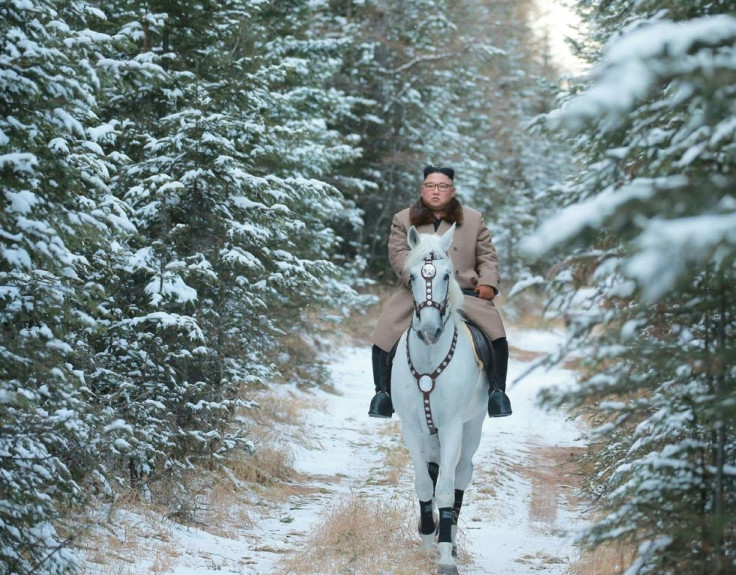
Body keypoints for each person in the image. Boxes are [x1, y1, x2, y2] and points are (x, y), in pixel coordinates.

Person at [369, 165, 510, 419]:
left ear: (452, 190)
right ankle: (383, 394)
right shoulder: (403, 219)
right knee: (384, 332)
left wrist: (488, 282)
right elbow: (398, 255)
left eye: (443, 186)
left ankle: (497, 393)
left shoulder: (474, 219)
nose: (436, 191)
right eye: (431, 186)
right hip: (417, 291)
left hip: (464, 293)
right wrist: (415, 278)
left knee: (496, 335)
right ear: (423, 189)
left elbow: (488, 256)